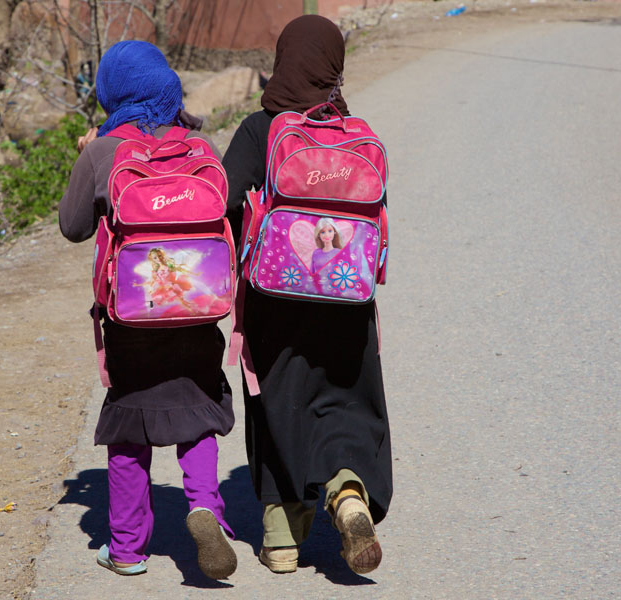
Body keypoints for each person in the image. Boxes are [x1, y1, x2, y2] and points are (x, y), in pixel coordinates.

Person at [58, 40, 237, 580]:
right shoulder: (197, 147)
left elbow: (72, 226)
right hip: (198, 311)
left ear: (110, 92)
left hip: (132, 321)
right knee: (197, 411)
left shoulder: (104, 151)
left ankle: (128, 549)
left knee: (129, 428)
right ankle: (206, 508)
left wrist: (87, 152)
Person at [222, 15, 392, 576]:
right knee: (345, 398)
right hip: (348, 302)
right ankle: (347, 493)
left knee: (279, 403)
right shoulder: (353, 135)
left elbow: (223, 205)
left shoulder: (260, 129)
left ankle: (282, 539)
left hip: (276, 301)